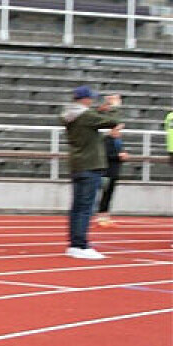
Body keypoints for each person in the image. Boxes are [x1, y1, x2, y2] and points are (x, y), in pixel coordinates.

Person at [62, 86, 122, 260]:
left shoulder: (71, 114)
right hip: (90, 164)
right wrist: (114, 106)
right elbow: (113, 122)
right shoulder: (86, 116)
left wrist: (100, 110)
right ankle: (80, 244)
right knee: (85, 208)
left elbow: (90, 119)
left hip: (78, 163)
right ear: (85, 99)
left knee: (77, 207)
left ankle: (75, 243)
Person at [96, 124, 128, 227]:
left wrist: (123, 156)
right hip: (107, 172)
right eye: (117, 130)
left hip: (114, 171)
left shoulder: (118, 141)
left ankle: (106, 216)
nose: (119, 132)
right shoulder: (106, 140)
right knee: (105, 194)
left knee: (109, 194)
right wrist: (119, 156)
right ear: (111, 130)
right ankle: (101, 217)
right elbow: (106, 155)